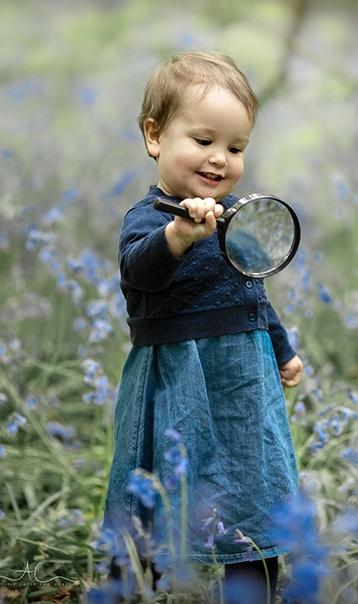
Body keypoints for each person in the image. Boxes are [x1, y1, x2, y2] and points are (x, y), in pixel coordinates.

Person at [100, 51, 303, 603]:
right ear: (154, 136)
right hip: (176, 380)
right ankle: (131, 585)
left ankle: (252, 587)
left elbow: (253, 293)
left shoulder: (237, 217)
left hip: (242, 382)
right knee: (156, 485)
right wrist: (178, 237)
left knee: (251, 480)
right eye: (204, 140)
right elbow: (139, 273)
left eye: (235, 148)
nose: (220, 159)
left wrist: (281, 348)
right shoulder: (149, 219)